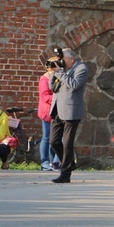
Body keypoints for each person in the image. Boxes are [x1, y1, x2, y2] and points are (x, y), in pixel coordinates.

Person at [49, 48, 88, 184]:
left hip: (71, 111)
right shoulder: (61, 70)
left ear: (71, 59)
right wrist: (54, 72)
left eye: (63, 59)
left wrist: (60, 72)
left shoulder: (81, 68)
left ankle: (65, 173)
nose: (61, 62)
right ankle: (69, 163)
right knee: (53, 141)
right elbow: (51, 87)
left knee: (67, 144)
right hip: (57, 109)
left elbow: (74, 85)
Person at [38, 64, 58, 171]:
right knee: (46, 137)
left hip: (57, 111)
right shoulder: (44, 79)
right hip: (47, 112)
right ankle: (44, 162)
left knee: (56, 138)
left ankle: (54, 161)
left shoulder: (58, 77)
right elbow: (44, 95)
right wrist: (58, 98)